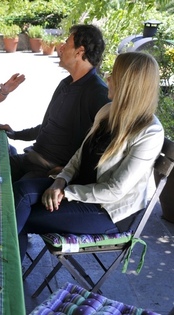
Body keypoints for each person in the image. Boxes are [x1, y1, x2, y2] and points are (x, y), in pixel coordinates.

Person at [14, 52, 164, 260]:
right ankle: (3, 269)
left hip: (107, 212)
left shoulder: (149, 132)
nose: (108, 77)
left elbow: (115, 190)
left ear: (129, 84)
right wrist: (60, 181)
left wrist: (67, 193)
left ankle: (4, 274)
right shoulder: (107, 111)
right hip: (79, 188)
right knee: (20, 191)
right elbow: (79, 156)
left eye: (114, 75)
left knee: (20, 214)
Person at [0, 24, 110, 182]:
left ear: (80, 52)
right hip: (32, 158)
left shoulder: (98, 93)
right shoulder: (66, 83)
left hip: (52, 171)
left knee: (18, 195)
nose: (61, 47)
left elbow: (104, 148)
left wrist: (71, 173)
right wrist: (15, 134)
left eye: (66, 44)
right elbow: (48, 126)